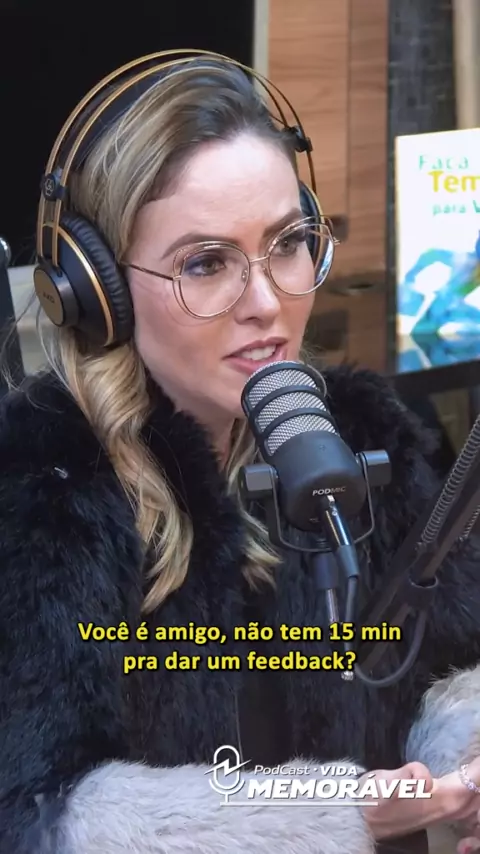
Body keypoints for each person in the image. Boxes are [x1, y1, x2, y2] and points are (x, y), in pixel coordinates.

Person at [1, 50, 480, 854]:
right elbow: (34, 811)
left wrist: (465, 759)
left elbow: (447, 668)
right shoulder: (41, 484)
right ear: (98, 290)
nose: (267, 303)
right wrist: (328, 811)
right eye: (206, 263)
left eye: (288, 243)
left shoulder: (365, 433)